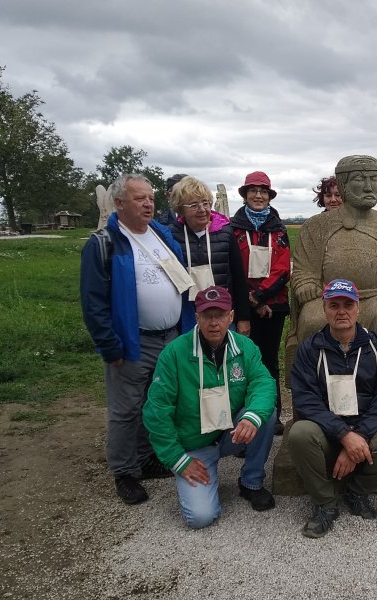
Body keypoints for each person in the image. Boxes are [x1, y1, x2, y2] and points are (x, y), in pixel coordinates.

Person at [80, 173, 195, 505]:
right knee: (126, 409)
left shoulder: (160, 234)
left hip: (170, 336)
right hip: (133, 341)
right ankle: (125, 472)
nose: (148, 203)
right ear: (119, 204)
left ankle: (146, 459)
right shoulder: (104, 243)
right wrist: (109, 345)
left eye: (150, 198)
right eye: (139, 198)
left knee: (156, 402)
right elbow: (93, 302)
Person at [287, 155, 377, 429]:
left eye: (375, 179)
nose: (370, 186)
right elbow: (303, 271)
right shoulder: (317, 226)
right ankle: (314, 409)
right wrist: (306, 285)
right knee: (314, 321)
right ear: (344, 184)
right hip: (332, 298)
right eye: (360, 179)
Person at [143, 286, 277, 528]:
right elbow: (157, 411)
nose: (214, 323)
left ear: (231, 316)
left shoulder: (245, 347)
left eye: (220, 315)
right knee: (200, 517)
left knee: (265, 415)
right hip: (195, 443)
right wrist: (178, 460)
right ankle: (199, 468)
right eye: (207, 316)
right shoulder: (173, 354)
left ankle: (251, 482)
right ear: (197, 318)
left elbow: (263, 382)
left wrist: (251, 416)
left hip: (230, 433)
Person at [288, 278, 377, 538]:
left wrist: (360, 436)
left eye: (347, 305)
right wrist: (343, 435)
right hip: (327, 432)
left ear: (358, 309)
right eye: (334, 305)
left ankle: (356, 491)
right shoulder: (310, 349)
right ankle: (324, 503)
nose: (341, 311)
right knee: (299, 433)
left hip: (366, 432)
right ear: (324, 310)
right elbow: (305, 399)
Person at [230, 171, 290, 435]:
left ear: (269, 195)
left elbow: (282, 269)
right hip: (243, 306)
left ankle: (272, 413)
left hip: (272, 306)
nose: (258, 195)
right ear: (245, 195)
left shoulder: (279, 229)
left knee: (269, 360)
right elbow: (233, 268)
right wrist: (252, 302)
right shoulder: (232, 229)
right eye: (253, 191)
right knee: (242, 362)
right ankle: (243, 417)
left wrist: (261, 297)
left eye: (263, 191)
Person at [167, 176, 251, 334]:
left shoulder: (225, 232)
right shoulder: (171, 235)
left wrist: (243, 318)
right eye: (194, 205)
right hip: (186, 314)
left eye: (205, 203)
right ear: (180, 208)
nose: (202, 209)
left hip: (221, 312)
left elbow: (238, 277)